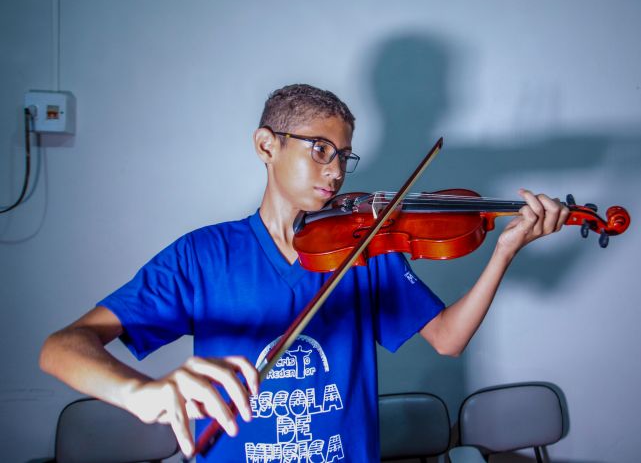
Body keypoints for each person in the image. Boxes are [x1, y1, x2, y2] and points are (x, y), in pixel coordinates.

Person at [39, 84, 569, 462]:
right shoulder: (200, 256)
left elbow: (449, 339)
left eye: (343, 156)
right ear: (267, 145)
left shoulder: (367, 248)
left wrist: (503, 252)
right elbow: (62, 347)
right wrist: (143, 393)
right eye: (320, 150)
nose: (336, 170)